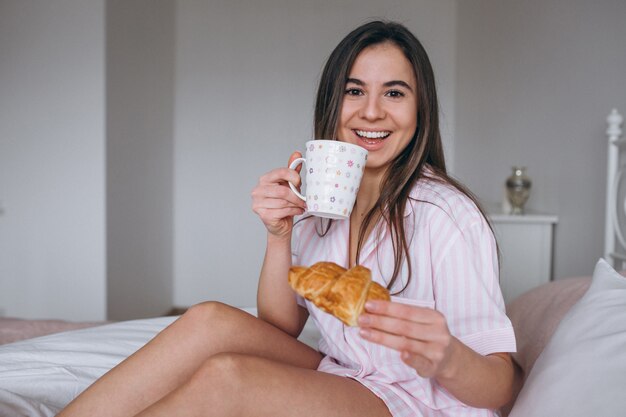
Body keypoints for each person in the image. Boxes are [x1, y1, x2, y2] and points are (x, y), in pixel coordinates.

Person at [59, 20, 516, 417]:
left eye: (394, 93)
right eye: (354, 91)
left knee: (227, 379)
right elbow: (280, 328)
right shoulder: (324, 200)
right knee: (209, 320)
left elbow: (502, 383)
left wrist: (448, 358)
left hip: (418, 401)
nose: (371, 111)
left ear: (420, 110)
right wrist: (279, 236)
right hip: (349, 375)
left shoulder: (447, 215)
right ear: (332, 103)